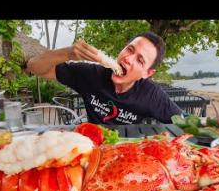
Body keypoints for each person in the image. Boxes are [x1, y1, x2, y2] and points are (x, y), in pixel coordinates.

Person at [26, 31, 182, 125]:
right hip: (93, 148)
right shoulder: (90, 74)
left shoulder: (152, 94)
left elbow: (184, 123)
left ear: (147, 73)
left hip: (128, 153)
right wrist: (67, 53)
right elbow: (33, 67)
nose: (128, 58)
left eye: (140, 60)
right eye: (129, 49)